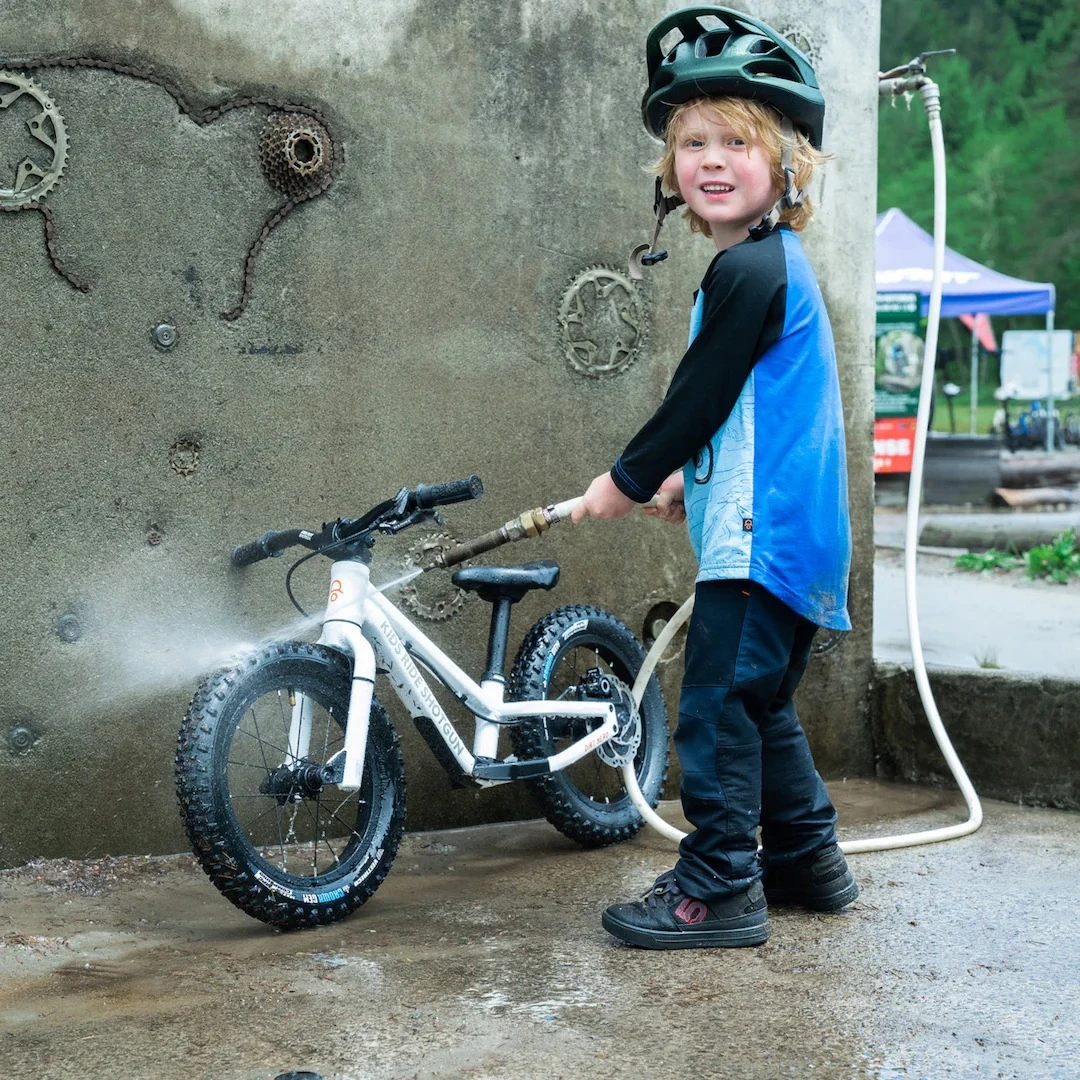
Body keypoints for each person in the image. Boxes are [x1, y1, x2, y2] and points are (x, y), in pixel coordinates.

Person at [571, 6, 857, 949]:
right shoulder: (768, 265)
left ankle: (720, 887)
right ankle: (809, 863)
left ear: (786, 164)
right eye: (694, 142)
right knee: (762, 707)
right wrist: (683, 486)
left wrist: (626, 476)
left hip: (761, 541)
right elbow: (748, 411)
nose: (713, 159)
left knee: (717, 712)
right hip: (790, 536)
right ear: (672, 171)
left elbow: (695, 401)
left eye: (739, 139)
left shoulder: (748, 274)